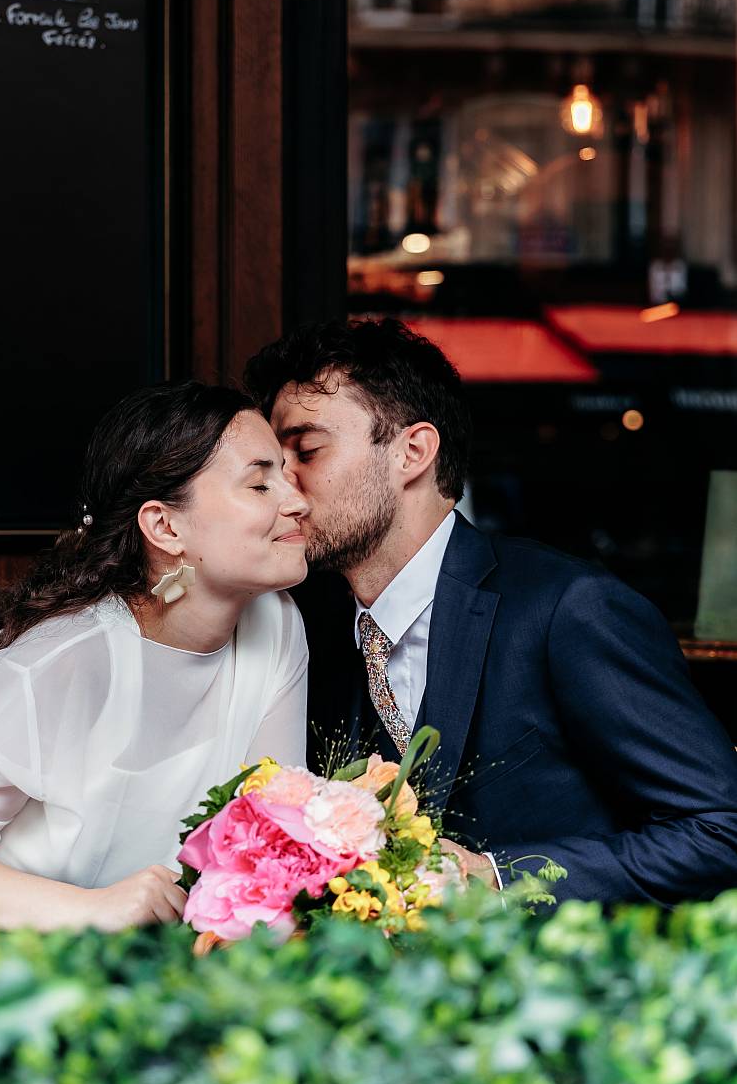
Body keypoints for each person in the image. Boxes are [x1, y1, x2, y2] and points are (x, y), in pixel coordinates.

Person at [244, 317, 737, 904]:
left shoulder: (567, 609)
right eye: (273, 465)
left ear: (414, 451)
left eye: (306, 450)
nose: (286, 489)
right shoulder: (310, 631)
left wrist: (498, 877)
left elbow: (720, 828)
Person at [0, 381, 310, 930]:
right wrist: (95, 912)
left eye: (288, 473)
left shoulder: (274, 627)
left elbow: (267, 830)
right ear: (165, 527)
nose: (297, 501)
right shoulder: (69, 657)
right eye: (260, 484)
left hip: (57, 974)